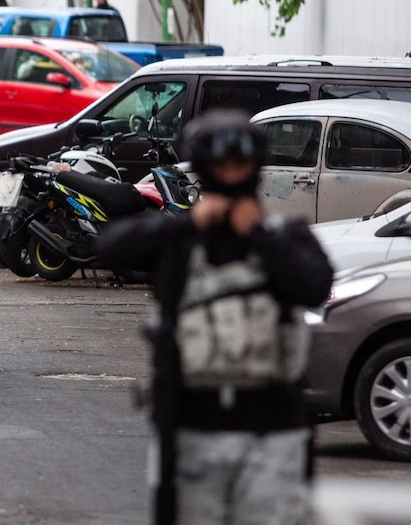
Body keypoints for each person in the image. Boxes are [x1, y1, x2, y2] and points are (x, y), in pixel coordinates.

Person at [95, 109, 333, 525]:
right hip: (192, 427)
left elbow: (314, 285)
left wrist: (257, 235)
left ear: (254, 168)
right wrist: (186, 224)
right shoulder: (182, 245)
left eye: (238, 165)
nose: (229, 175)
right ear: (204, 170)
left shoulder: (284, 238)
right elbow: (109, 247)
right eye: (219, 166)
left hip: (273, 429)